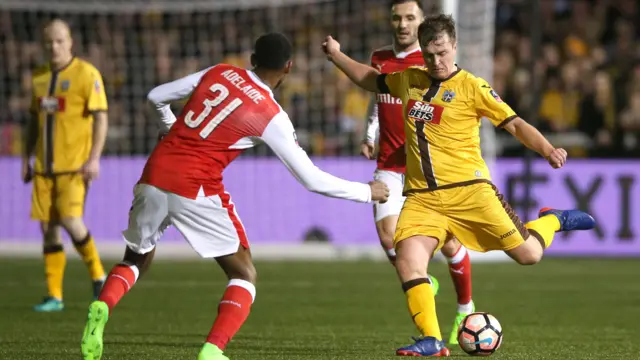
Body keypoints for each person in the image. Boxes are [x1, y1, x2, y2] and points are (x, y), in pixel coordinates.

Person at [80, 33, 389, 360]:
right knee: (244, 274)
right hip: (195, 186)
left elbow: (155, 96)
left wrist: (172, 128)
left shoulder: (220, 71)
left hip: (154, 173)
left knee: (136, 258)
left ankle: (102, 305)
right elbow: (311, 179)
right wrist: (365, 191)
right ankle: (213, 351)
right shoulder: (272, 115)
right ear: (288, 67)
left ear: (252, 59)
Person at [323, 14, 595, 356]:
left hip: (470, 192)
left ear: (454, 46)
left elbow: (515, 124)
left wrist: (547, 149)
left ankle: (553, 219)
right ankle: (432, 340)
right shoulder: (408, 79)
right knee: (407, 260)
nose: (436, 61)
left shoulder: (473, 87)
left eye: (441, 52)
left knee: (529, 255)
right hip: (422, 199)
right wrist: (337, 56)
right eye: (429, 53)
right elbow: (369, 79)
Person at [362, 0, 475, 344]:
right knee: (387, 238)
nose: (402, 24)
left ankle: (465, 309)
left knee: (450, 241)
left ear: (422, 21)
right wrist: (370, 133)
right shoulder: (380, 57)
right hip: (388, 163)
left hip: (426, 168)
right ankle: (422, 278)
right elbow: (378, 96)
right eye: (397, 17)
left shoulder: (433, 62)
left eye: (410, 17)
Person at [23, 19, 108, 312]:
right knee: (48, 229)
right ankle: (55, 296)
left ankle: (98, 274)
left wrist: (94, 158)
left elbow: (100, 118)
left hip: (74, 167)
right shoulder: (38, 77)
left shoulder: (87, 74)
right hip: (44, 169)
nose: (54, 47)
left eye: (59, 41)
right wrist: (27, 158)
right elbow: (34, 122)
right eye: (49, 42)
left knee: (71, 221)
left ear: (70, 41)